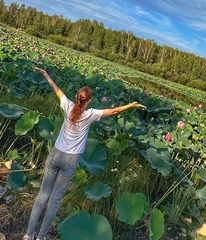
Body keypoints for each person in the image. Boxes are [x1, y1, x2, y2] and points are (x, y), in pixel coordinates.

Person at [22, 67, 146, 240]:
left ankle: (28, 235)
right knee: (55, 200)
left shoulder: (67, 106)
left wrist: (45, 74)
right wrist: (131, 105)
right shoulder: (90, 114)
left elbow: (56, 89)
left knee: (42, 196)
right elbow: (115, 111)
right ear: (89, 100)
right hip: (70, 160)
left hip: (55, 155)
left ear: (77, 97)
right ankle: (41, 237)